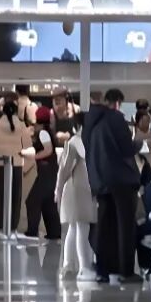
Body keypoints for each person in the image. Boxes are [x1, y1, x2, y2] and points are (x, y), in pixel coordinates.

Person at [82, 88, 143, 284]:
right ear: (117, 102)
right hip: (121, 179)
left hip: (100, 179)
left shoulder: (90, 122)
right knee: (125, 226)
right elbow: (126, 149)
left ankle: (103, 270)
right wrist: (138, 143)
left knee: (105, 226)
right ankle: (125, 271)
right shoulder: (115, 118)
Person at [55, 112, 96, 281]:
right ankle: (83, 267)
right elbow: (64, 170)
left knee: (76, 227)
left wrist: (58, 189)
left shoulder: (81, 142)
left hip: (81, 191)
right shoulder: (74, 143)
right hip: (77, 191)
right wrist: (58, 189)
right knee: (81, 228)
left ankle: (69, 265)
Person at [0, 100, 33, 233]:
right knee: (15, 197)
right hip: (17, 163)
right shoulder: (21, 125)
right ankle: (12, 226)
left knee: (1, 196)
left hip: (1, 163)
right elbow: (28, 144)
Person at [24, 107, 60, 240]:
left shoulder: (43, 132)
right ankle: (54, 232)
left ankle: (32, 231)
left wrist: (33, 157)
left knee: (32, 200)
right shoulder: (47, 131)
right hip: (52, 171)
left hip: (46, 172)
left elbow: (48, 150)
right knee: (48, 202)